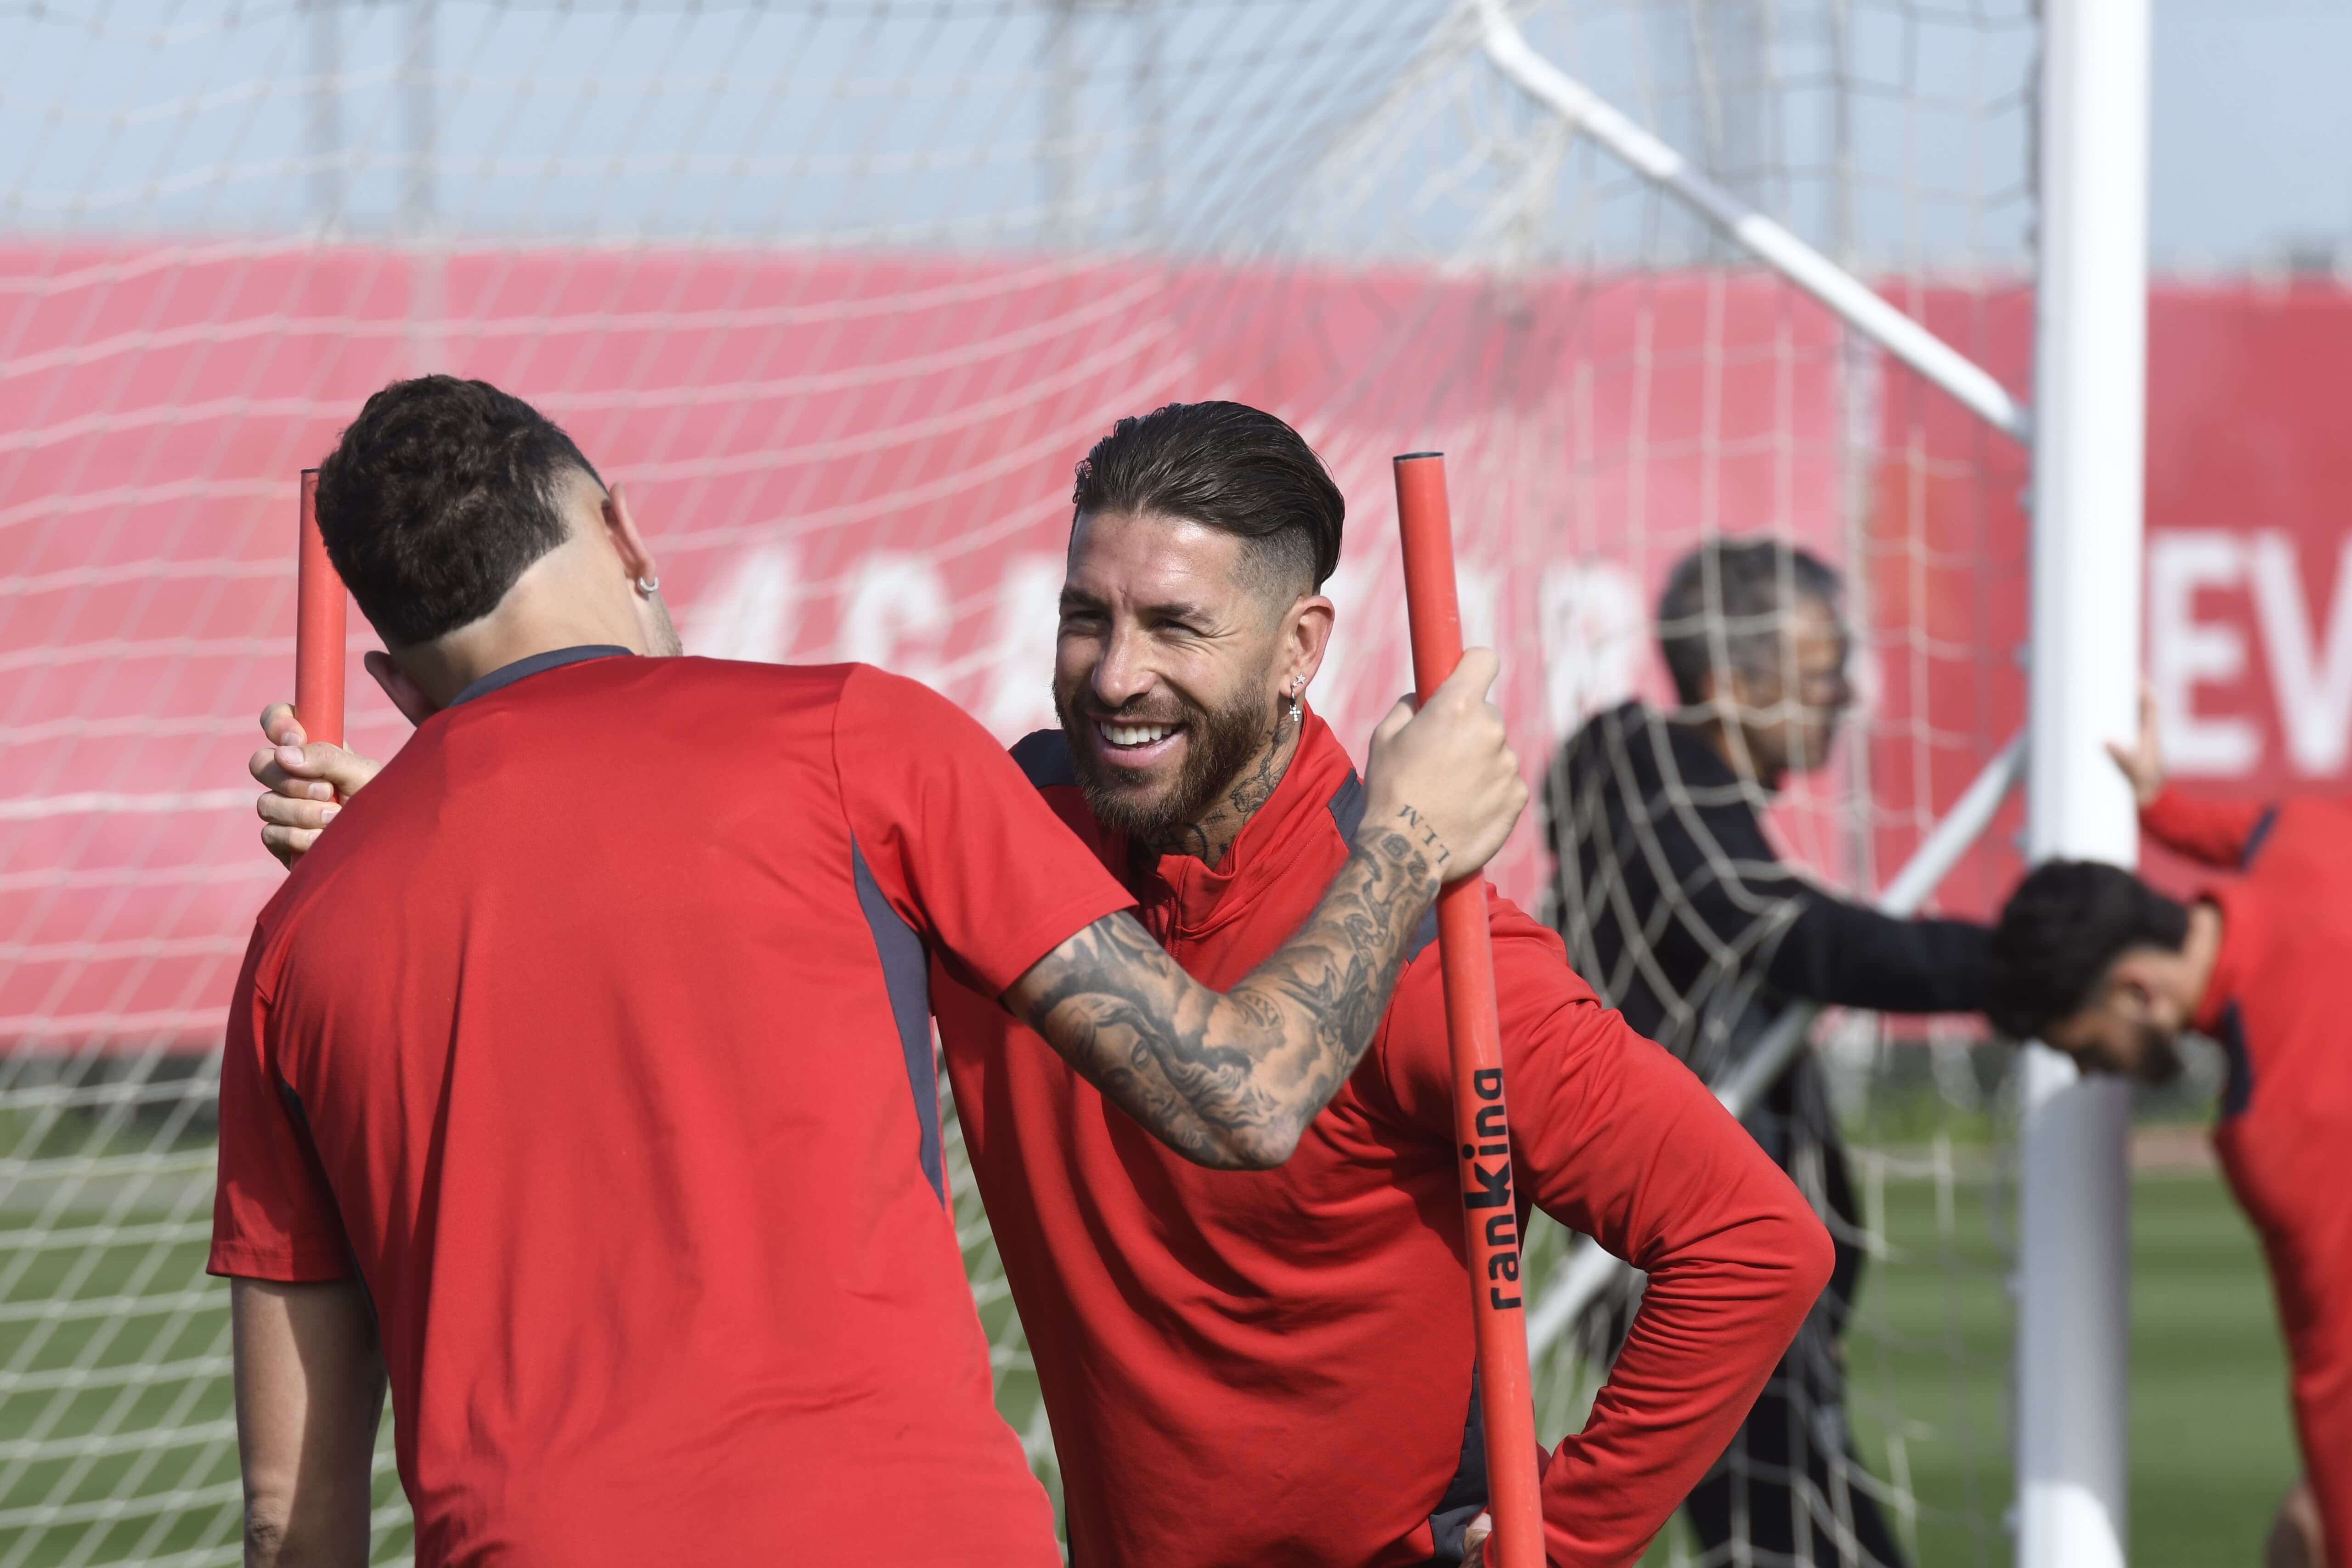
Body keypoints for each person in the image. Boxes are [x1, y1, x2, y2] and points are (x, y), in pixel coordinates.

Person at [256, 401, 1835, 1568]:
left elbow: (1753, 1240)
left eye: (1175, 626)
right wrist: (423, 831)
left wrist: (1568, 1532)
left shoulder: (1419, 946)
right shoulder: (1003, 826)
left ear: (1301, 647)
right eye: (1088, 614)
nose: (1116, 670)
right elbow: (693, 868)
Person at [1544, 539, 1992, 1568]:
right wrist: (2022, 965)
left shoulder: (1671, 795)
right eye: (1821, 670)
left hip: (1735, 1280)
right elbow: (1799, 937)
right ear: (1731, 684)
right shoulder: (1651, 777)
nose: (1845, 696)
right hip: (1691, 1278)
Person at [1985, 691, 2349, 1568]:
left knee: (2305, 1538)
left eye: (2085, 1047)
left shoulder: (2280, 1125)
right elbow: (2253, 834)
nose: (2091, 1072)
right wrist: (2163, 806)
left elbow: (2337, 1380)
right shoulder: (2309, 835)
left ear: (2138, 990)